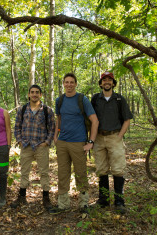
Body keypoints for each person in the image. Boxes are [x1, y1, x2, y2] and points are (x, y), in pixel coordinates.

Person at [49, 73, 99, 214]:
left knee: (81, 173)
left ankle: (83, 204)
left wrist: (91, 142)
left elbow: (95, 121)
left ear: (76, 84)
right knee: (62, 173)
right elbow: (59, 119)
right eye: (66, 82)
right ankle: (63, 204)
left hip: (78, 142)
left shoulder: (82, 100)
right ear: (63, 84)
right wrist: (55, 136)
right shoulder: (59, 100)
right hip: (62, 143)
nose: (69, 85)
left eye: (72, 82)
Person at [91, 71, 133, 214]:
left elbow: (127, 119)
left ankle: (119, 201)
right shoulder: (95, 99)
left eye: (109, 80)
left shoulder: (119, 99)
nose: (107, 82)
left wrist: (120, 135)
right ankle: (103, 200)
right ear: (101, 83)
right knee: (101, 169)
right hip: (99, 138)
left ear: (113, 83)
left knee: (118, 169)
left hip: (115, 136)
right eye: (104, 80)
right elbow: (90, 119)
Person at [11, 85, 55, 210]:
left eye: (37, 92)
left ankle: (46, 198)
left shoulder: (47, 110)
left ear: (40, 94)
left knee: (44, 172)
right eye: (32, 92)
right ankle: (21, 197)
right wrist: (19, 141)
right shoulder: (22, 109)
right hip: (26, 145)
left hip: (41, 146)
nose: (34, 94)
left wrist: (47, 142)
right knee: (24, 172)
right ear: (29, 94)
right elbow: (17, 126)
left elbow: (52, 128)